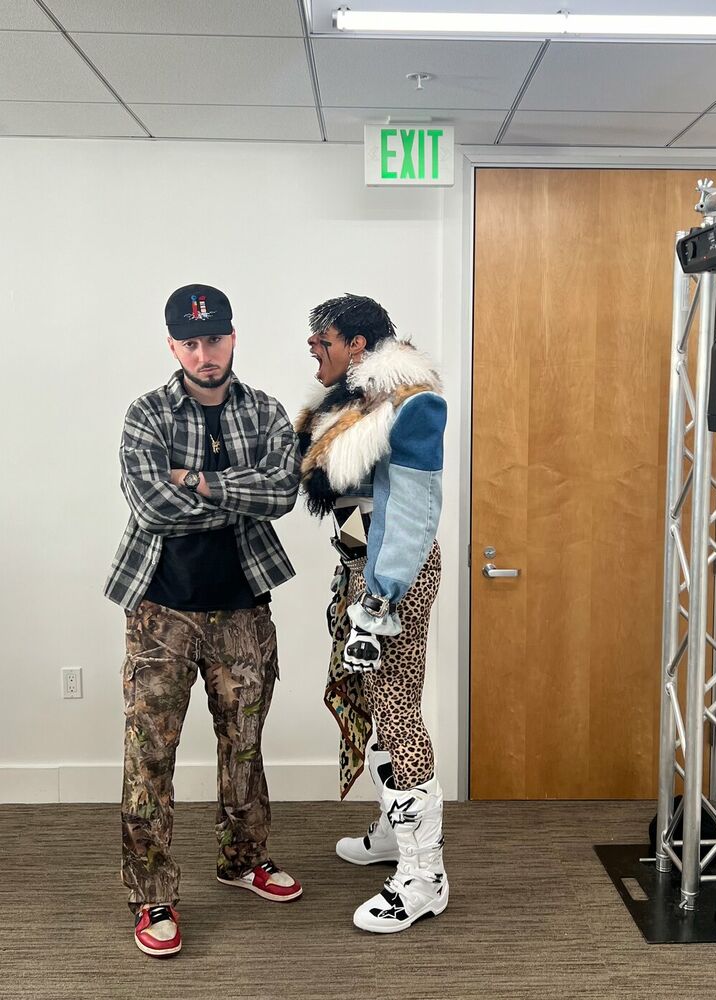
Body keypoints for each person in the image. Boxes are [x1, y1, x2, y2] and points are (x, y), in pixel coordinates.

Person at [104, 283, 302, 958]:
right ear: (172, 347)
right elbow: (151, 507)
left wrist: (195, 479)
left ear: (232, 337)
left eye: (213, 338)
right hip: (159, 611)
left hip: (243, 608)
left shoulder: (266, 410)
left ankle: (243, 860)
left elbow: (282, 492)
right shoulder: (147, 414)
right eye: (189, 343)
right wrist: (237, 491)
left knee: (243, 744)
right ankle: (152, 896)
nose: (203, 353)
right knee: (149, 755)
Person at [297, 293, 448, 933]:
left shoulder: (412, 404)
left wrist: (380, 597)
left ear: (357, 344)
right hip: (362, 569)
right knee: (379, 701)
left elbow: (411, 511)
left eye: (323, 340)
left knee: (397, 709)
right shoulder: (350, 403)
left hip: (394, 576)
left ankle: (424, 875)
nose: (314, 350)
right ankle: (394, 831)